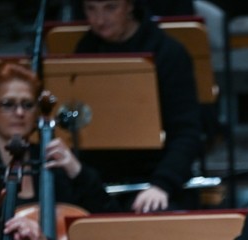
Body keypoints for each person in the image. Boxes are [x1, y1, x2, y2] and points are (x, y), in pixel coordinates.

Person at [75, 0, 203, 213]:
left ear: (130, 6)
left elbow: (187, 132)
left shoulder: (168, 52)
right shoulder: (85, 49)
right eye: (90, 9)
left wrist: (162, 184)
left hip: (154, 179)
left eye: (110, 8)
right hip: (97, 180)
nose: (99, 19)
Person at [0, 60, 112, 213]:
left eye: (28, 105)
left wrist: (77, 172)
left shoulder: (54, 164)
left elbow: (107, 218)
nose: (19, 113)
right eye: (8, 104)